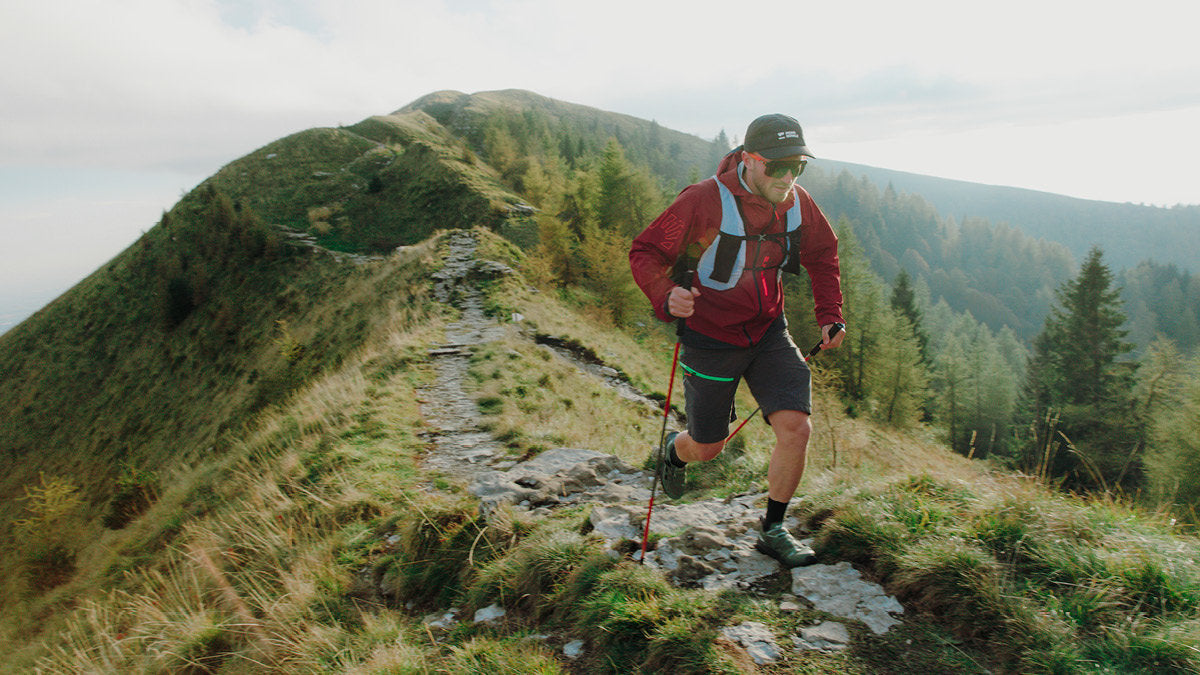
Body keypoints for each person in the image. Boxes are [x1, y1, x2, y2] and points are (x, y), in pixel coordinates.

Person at [629, 113, 845, 568]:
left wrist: (830, 315)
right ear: (749, 160)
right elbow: (646, 252)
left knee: (796, 429)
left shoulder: (798, 203)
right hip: (710, 339)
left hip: (769, 331)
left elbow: (823, 254)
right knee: (709, 448)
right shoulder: (703, 200)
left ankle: (772, 529)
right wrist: (666, 295)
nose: (788, 178)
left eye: (798, 167)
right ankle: (674, 450)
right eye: (777, 167)